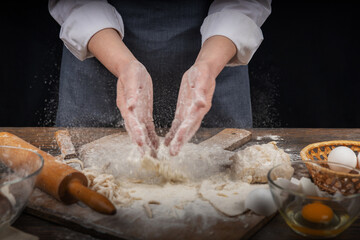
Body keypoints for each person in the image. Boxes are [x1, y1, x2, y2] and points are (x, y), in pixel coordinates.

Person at [49, 0, 271, 156]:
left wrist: (207, 66)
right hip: (98, 57)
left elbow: (244, 2)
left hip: (216, 59)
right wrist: (125, 66)